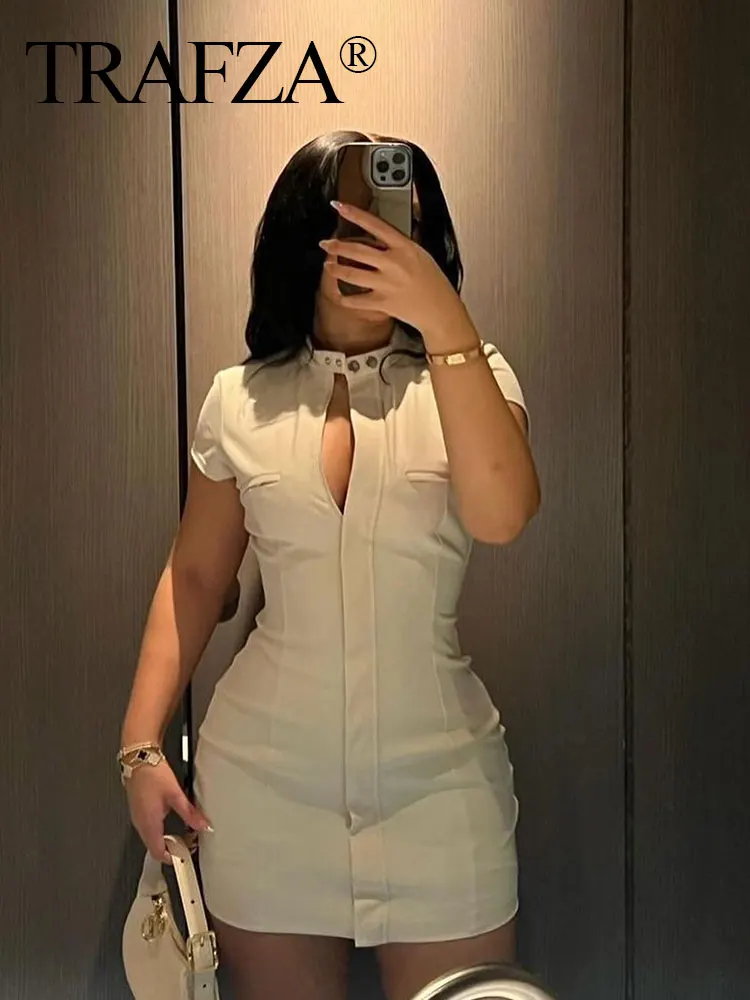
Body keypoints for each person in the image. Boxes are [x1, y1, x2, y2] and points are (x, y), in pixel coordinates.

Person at [120, 129, 541, 1000]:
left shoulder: (474, 374)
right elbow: (195, 576)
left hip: (443, 793)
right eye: (352, 222)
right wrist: (139, 746)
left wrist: (444, 319)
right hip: (265, 792)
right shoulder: (241, 399)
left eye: (396, 223)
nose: (373, 242)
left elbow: (503, 517)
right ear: (304, 236)